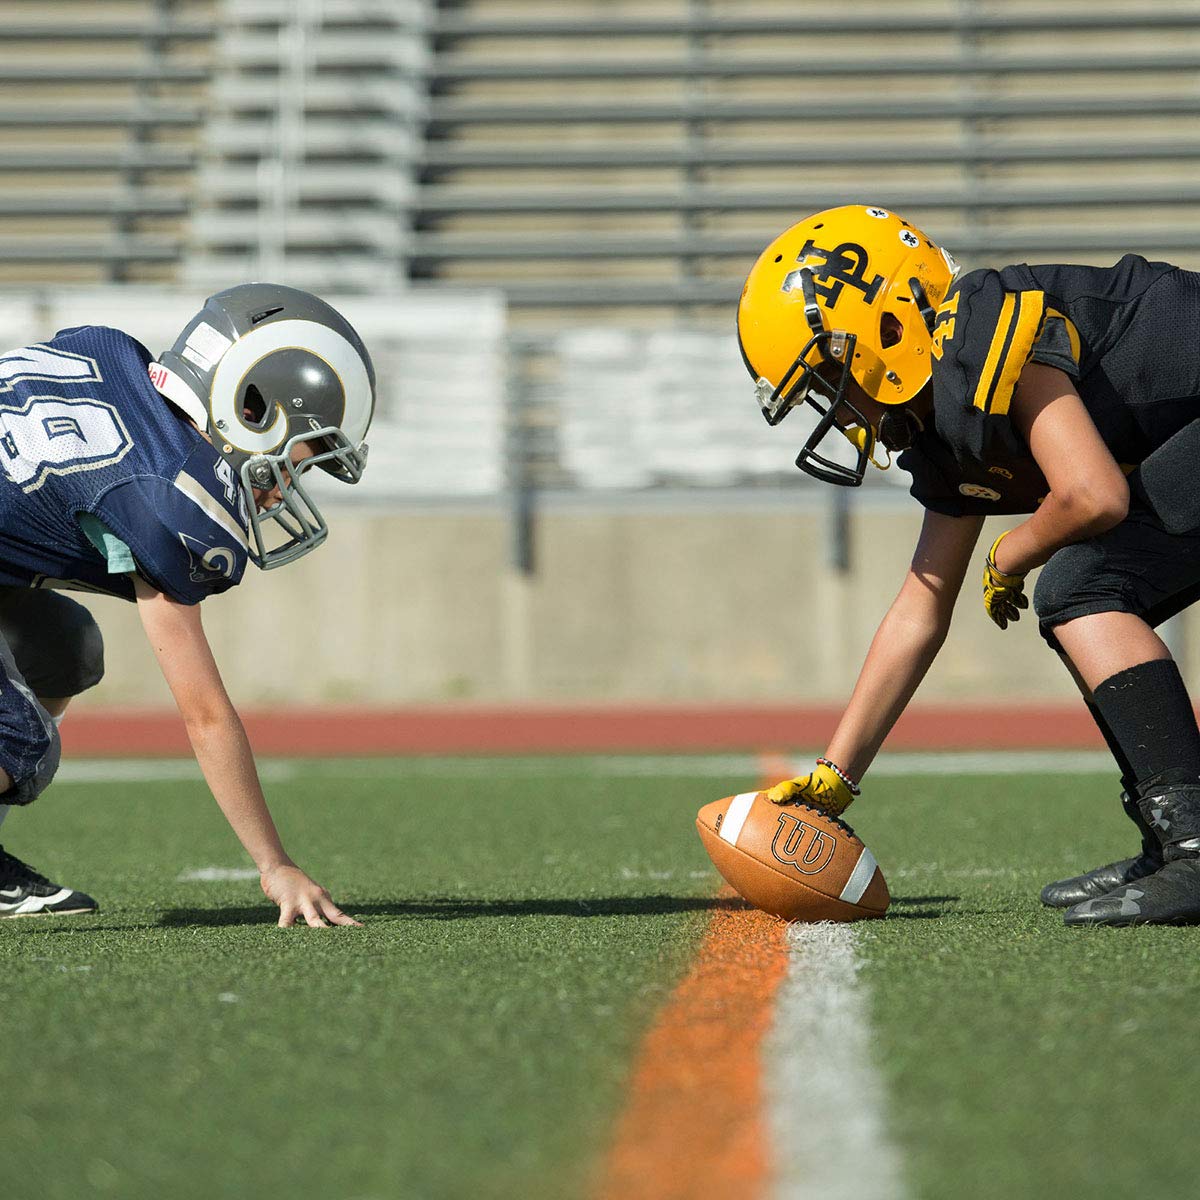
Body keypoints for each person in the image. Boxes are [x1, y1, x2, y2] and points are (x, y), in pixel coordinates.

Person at [736, 203, 1200, 927]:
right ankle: (1172, 839)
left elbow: (1094, 496)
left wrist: (1011, 552)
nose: (836, 408)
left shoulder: (983, 328)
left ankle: (1195, 843)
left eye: (829, 380)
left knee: (1082, 586)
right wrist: (837, 777)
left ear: (887, 328)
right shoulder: (943, 420)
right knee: (1085, 590)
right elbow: (919, 609)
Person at [0, 283, 374, 927]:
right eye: (295, 463)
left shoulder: (111, 354)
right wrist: (272, 862)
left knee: (64, 648)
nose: (283, 487)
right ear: (249, 406)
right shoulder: (167, 497)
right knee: (19, 742)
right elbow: (203, 713)